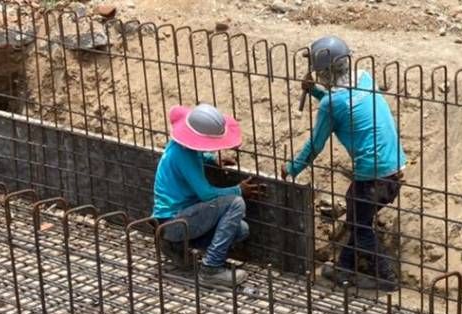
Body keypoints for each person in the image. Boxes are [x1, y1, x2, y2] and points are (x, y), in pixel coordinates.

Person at [282, 35, 407, 292]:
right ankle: (345, 269)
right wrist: (315, 91)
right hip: (395, 167)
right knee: (357, 218)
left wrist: (291, 169)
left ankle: (386, 277)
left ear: (325, 71)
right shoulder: (364, 78)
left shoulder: (331, 104)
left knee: (360, 225)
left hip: (372, 176)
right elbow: (346, 106)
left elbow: (315, 145)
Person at [152, 103, 263, 288]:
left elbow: (198, 155)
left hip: (180, 221)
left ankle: (178, 248)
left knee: (240, 229)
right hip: (173, 222)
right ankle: (211, 269)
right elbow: (206, 194)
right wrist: (238, 190)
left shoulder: (181, 147)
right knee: (236, 203)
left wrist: (213, 159)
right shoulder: (182, 155)